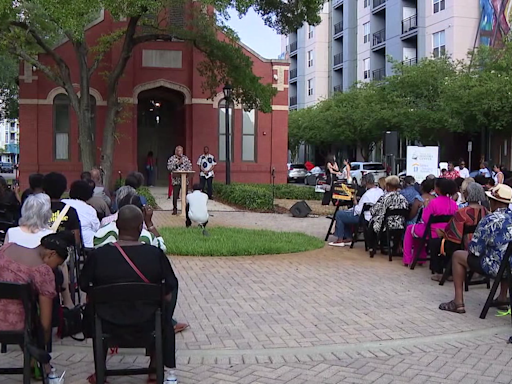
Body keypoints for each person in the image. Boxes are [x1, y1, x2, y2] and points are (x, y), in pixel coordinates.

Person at [81, 206, 179, 382]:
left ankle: (100, 369)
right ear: (141, 227)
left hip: (106, 323)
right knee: (163, 309)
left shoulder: (99, 255)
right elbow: (170, 288)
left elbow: (84, 286)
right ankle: (155, 368)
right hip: (148, 323)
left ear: (117, 226)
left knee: (93, 307)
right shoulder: (155, 254)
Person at [439, 184, 512, 314]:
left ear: (494, 202)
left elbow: (475, 250)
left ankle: (458, 302)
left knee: (457, 256)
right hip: (509, 267)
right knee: (506, 256)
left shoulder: (489, 219)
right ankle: (502, 296)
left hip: (495, 267)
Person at [0, 231, 73, 344]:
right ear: (51, 254)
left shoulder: (6, 248)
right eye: (57, 264)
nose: (55, 268)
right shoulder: (43, 272)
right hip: (17, 326)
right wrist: (43, 344)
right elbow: (45, 322)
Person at [430, 182, 489, 281]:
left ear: (467, 194)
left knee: (436, 243)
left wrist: (443, 234)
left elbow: (454, 236)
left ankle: (446, 273)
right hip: (481, 245)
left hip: (464, 245)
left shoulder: (462, 213)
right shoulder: (486, 211)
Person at [402, 179, 458, 267]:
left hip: (431, 232)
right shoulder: (453, 204)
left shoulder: (433, 202)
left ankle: (407, 259)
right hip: (446, 232)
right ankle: (421, 256)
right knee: (416, 230)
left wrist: (426, 207)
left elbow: (425, 219)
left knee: (410, 229)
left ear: (438, 189)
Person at [95, 193, 166, 251]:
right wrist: (149, 223)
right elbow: (162, 248)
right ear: (140, 227)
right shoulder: (147, 237)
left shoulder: (100, 234)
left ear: (117, 224)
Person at [328, 173, 383, 247]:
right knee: (345, 214)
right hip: (376, 216)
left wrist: (355, 202)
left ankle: (340, 239)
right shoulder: (380, 191)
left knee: (340, 214)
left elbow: (358, 211)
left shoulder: (367, 194)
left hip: (364, 218)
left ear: (366, 182)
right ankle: (348, 237)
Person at [367, 176, 409, 256]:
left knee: (372, 222)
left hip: (385, 226)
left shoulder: (384, 198)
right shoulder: (403, 199)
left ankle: (372, 247)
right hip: (400, 226)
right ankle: (394, 248)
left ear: (388, 186)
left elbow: (373, 210)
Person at [63, 180, 101, 248]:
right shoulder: (89, 209)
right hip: (87, 245)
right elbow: (97, 228)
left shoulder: (63, 203)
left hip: (63, 242)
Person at [167, 145, 193, 215]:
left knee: (185, 195)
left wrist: (188, 172)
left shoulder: (185, 158)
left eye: (181, 151)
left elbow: (190, 166)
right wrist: (178, 163)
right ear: (176, 151)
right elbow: (169, 168)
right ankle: (175, 209)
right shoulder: (172, 159)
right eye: (179, 151)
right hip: (176, 180)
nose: (181, 152)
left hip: (184, 180)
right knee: (175, 195)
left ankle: (185, 209)